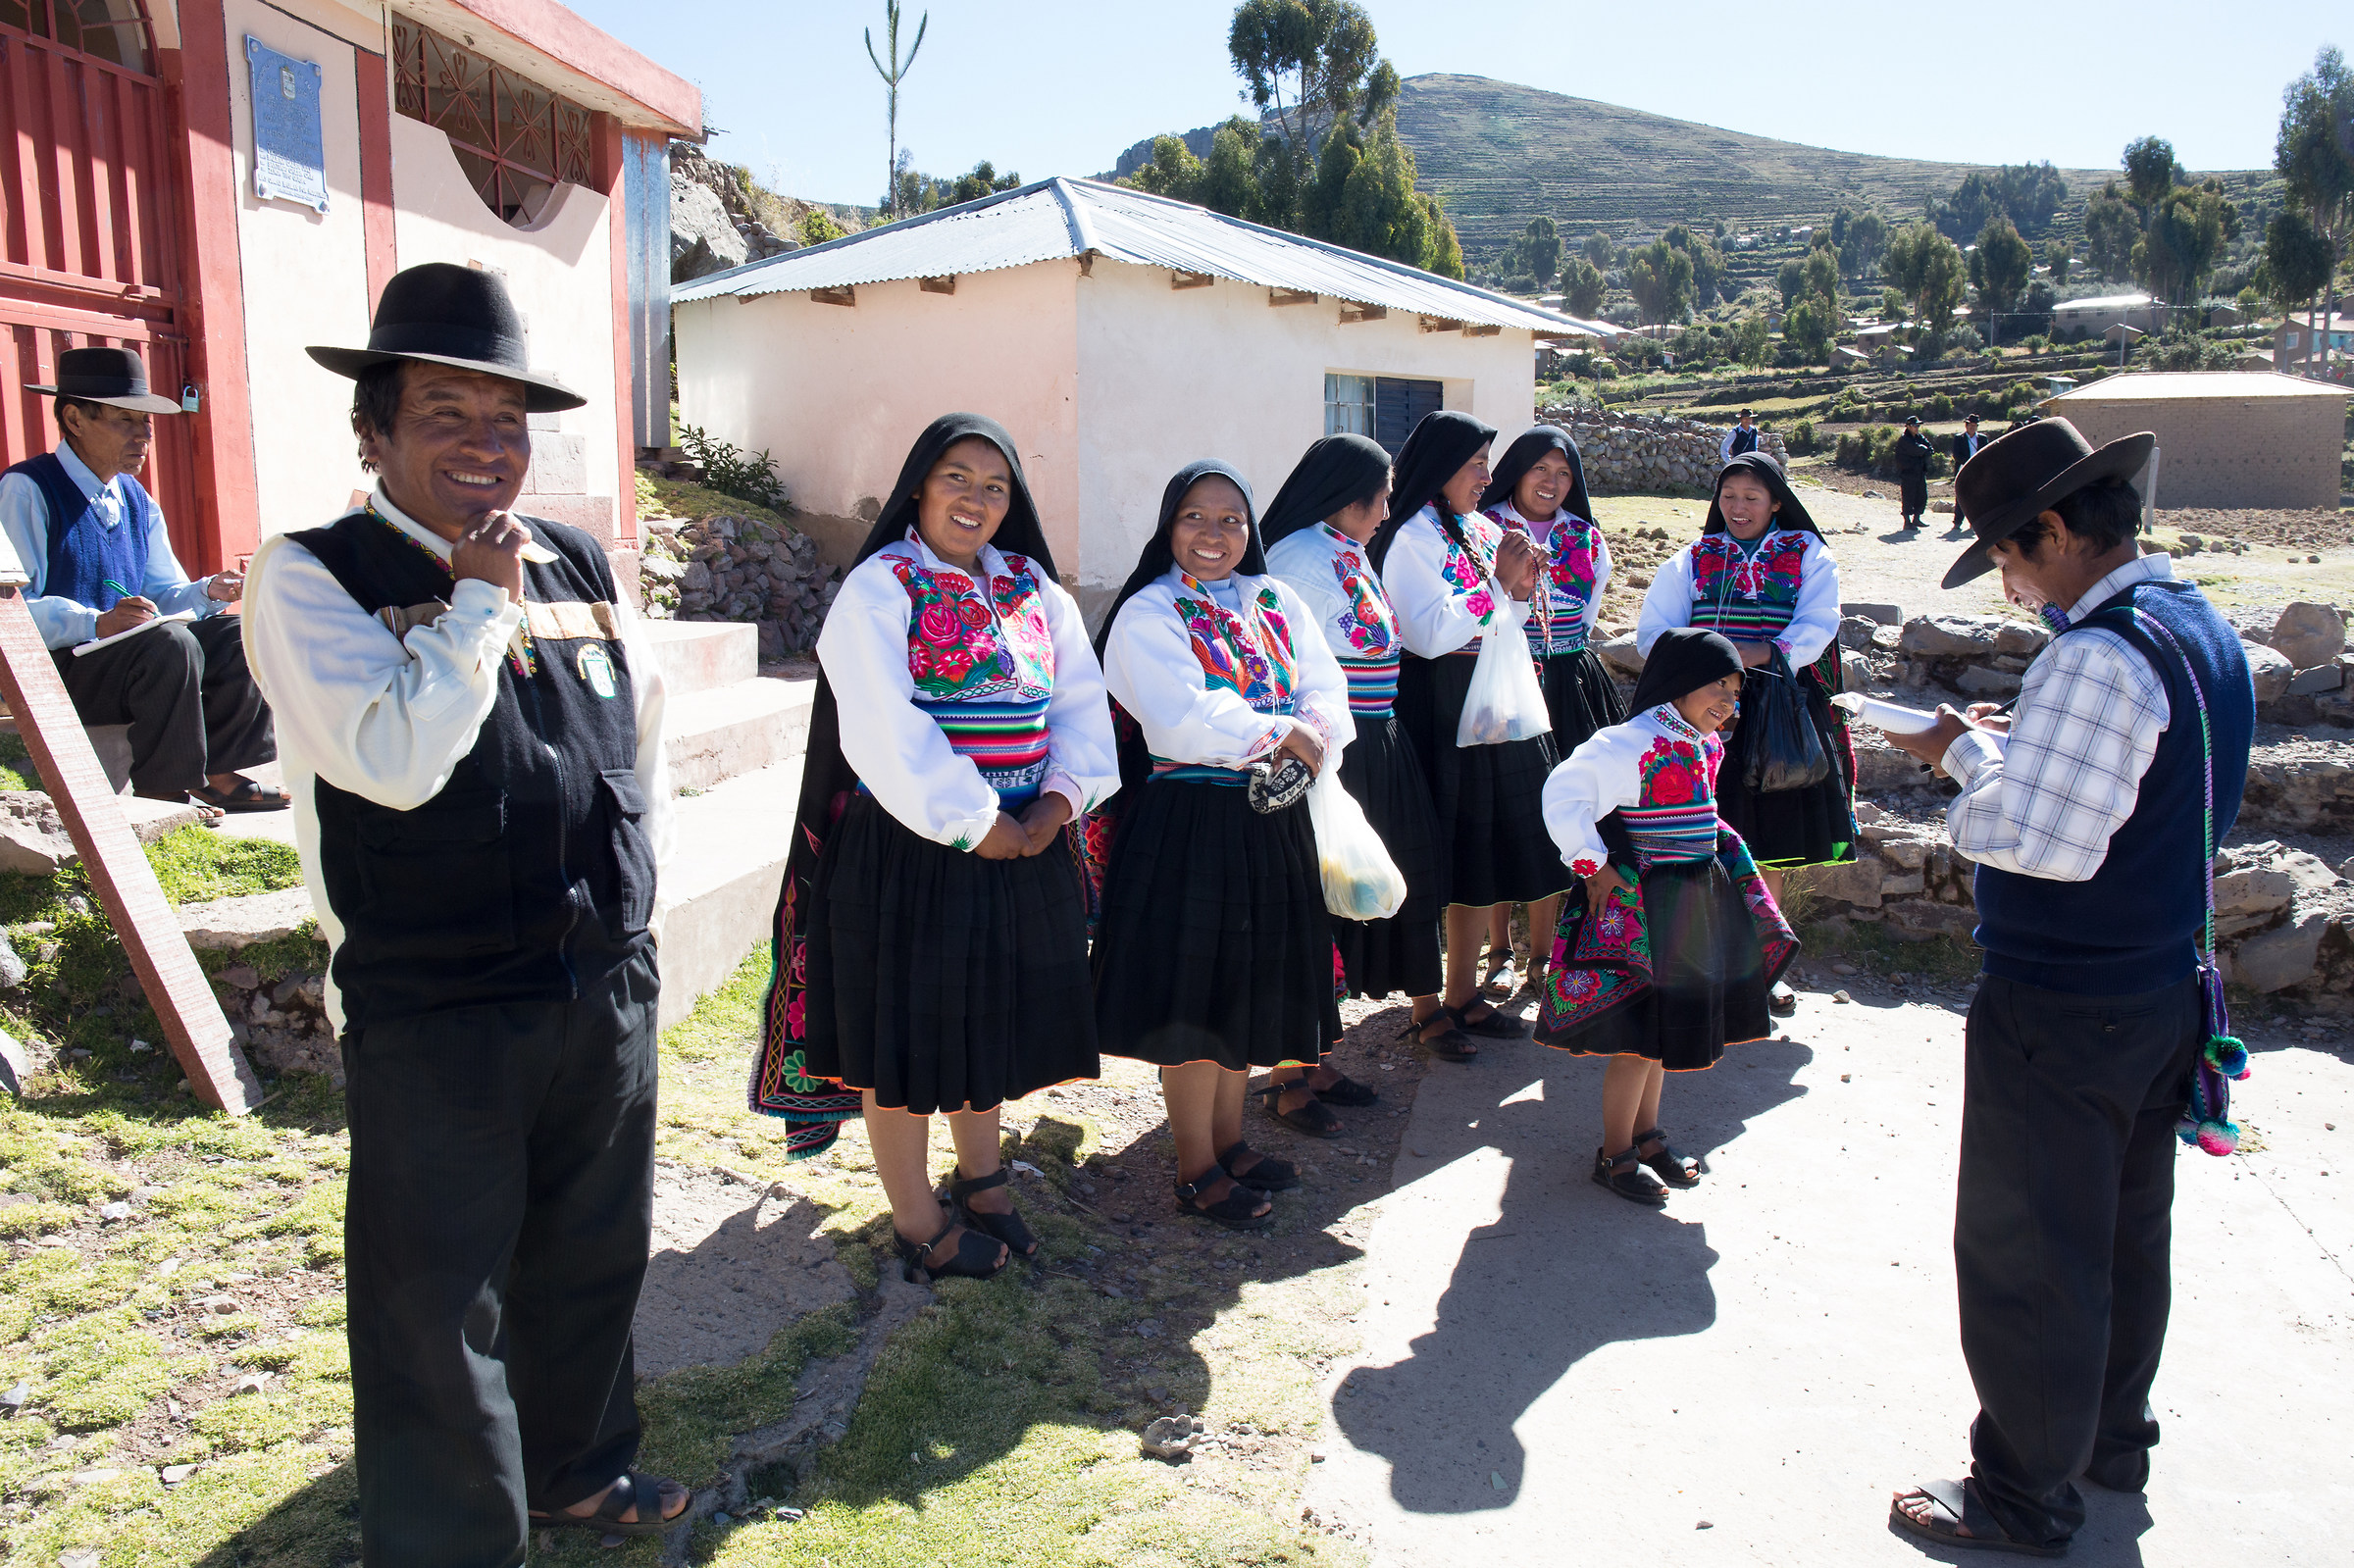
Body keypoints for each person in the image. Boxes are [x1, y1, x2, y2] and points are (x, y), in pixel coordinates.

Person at [245, 262, 685, 1558]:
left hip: (599, 977)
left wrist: (635, 916)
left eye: (506, 423)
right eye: (444, 416)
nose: (486, 449)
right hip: (435, 996)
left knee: (593, 1248)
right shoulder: (315, 574)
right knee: (434, 1298)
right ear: (372, 432)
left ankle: (577, 1466)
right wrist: (479, 603)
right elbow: (392, 757)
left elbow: (636, 734)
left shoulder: (580, 558)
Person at [1885, 418, 2254, 1559]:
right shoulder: (2195, 626)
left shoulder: (2095, 658)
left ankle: (2019, 1491)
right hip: (2153, 986)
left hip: (2064, 1004)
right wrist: (2016, 751)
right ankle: (2105, 1437)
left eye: (2006, 551)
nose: (2005, 576)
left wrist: (1960, 761)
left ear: (2054, 530)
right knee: (2121, 1235)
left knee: (2031, 1247)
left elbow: (2040, 842)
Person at [747, 414, 1117, 1280]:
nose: (976, 499)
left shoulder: (1034, 587)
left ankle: (985, 1180)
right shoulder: (883, 586)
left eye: (996, 486)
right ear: (920, 484)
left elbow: (1080, 704)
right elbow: (883, 726)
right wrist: (979, 821)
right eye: (957, 477)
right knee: (904, 1032)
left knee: (985, 1013)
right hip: (912, 848)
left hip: (1023, 836)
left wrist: (1058, 803)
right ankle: (917, 1218)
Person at [1092, 461, 1352, 1229]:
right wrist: (1281, 732)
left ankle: (1232, 1140)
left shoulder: (1275, 600)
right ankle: (1194, 1164)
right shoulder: (1151, 612)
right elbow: (1179, 713)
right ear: (1170, 526)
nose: (1214, 535)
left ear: (1252, 529)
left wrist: (1315, 732)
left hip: (1272, 821)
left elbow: (1323, 685)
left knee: (1246, 985)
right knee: (1198, 996)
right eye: (1196, 518)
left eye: (1231, 519)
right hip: (1193, 824)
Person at [1534, 628, 1796, 1203]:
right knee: (1638, 1040)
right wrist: (1593, 865)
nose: (1728, 702)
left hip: (1690, 904)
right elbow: (1562, 793)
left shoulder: (1699, 740)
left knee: (1660, 1034)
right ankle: (1615, 1154)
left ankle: (1647, 1137)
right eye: (1717, 687)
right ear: (1677, 685)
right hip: (1644, 907)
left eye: (1735, 690)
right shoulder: (1628, 743)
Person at [1, 346, 282, 813]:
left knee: (238, 633)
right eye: (125, 421)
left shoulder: (135, 498)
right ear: (74, 419)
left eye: (146, 423)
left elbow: (162, 595)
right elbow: (13, 609)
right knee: (169, 646)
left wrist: (208, 591)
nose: (142, 437)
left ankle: (219, 772)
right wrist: (96, 623)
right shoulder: (27, 489)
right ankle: (163, 793)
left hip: (127, 657)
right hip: (58, 667)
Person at [1636, 452, 1852, 1016]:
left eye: (1751, 497)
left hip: (1773, 710)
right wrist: (1709, 670)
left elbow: (1815, 627)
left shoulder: (1808, 554)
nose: (1737, 507)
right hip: (1700, 711)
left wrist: (1739, 656)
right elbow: (1654, 632)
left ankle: (1763, 967)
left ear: (1776, 502)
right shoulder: (1695, 558)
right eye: (1728, 495)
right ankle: (1698, 963)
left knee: (1767, 841)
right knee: (1697, 833)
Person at [1372, 410, 1560, 1054]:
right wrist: (1499, 583)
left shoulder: (1479, 529)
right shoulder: (1409, 537)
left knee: (1481, 848)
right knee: (1436, 854)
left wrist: (1519, 585)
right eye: (1476, 462)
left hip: (1487, 703)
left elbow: (1500, 612)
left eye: (1488, 461)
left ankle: (1464, 995)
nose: (1487, 475)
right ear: (1441, 467)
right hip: (1437, 703)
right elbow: (1426, 633)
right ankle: (1427, 1009)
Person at [1261, 432, 1426, 1133]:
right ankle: (1285, 1077)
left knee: (1335, 903)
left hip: (1363, 743)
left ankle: (1316, 1055)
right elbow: (1290, 669)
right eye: (1382, 495)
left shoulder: (1345, 549)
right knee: (1307, 907)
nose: (1389, 509)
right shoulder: (1298, 560)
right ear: (1347, 496)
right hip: (1323, 753)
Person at [1478, 425, 1623, 1001]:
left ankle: (1545, 953)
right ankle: (1498, 953)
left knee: (1563, 810)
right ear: (1515, 470)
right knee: (1501, 813)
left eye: (1564, 474)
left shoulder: (1586, 538)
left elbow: (1587, 612)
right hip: (1504, 681)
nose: (1552, 482)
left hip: (1567, 686)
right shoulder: (1482, 529)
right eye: (1540, 469)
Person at [1893, 415, 1934, 529]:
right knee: (1908, 497)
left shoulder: (1919, 437)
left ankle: (1917, 519)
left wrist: (1923, 450)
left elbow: (1930, 449)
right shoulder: (1904, 439)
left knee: (1921, 496)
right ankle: (1907, 521)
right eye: (1915, 425)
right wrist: (1922, 450)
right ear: (1909, 426)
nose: (1917, 428)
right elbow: (1916, 450)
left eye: (1918, 426)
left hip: (1920, 472)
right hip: (1908, 473)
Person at [1950, 414, 1988, 527]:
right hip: (1964, 469)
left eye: (1975, 425)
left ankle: (1975, 521)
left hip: (1977, 470)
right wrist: (1968, 462)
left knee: (1977, 496)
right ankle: (1957, 521)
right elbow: (1956, 455)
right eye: (1970, 425)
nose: (1972, 427)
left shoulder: (1982, 439)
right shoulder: (1959, 438)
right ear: (1966, 426)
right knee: (1961, 495)